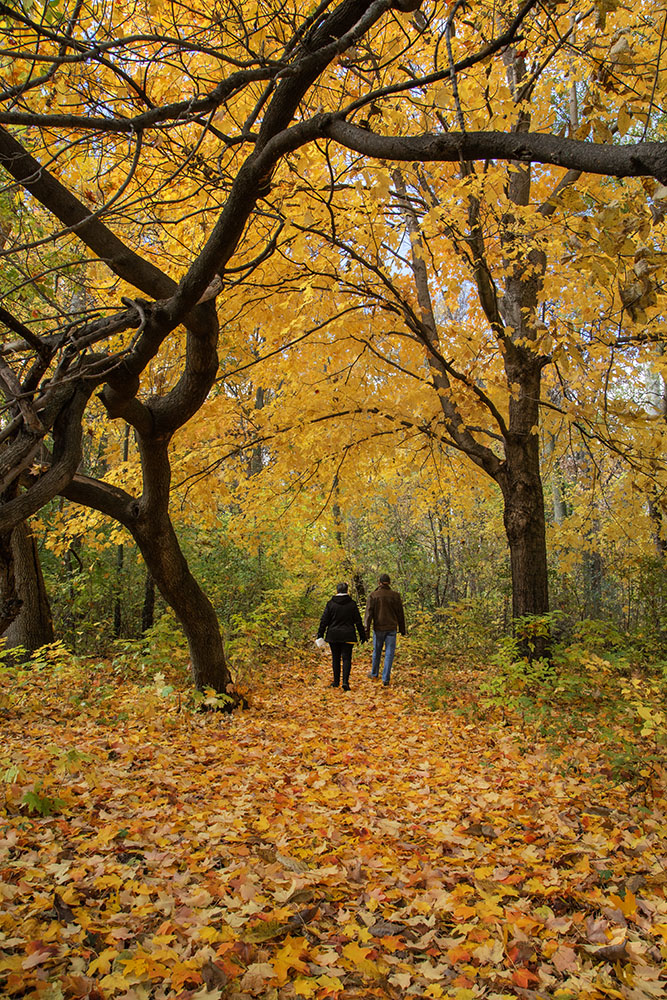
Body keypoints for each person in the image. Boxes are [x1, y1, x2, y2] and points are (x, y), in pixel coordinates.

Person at [317, 582, 366, 691]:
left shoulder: (330, 604)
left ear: (337, 590)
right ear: (347, 591)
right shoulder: (352, 604)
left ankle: (336, 682)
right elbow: (358, 621)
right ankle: (345, 682)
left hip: (333, 635)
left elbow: (324, 620)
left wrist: (320, 634)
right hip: (348, 635)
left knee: (335, 658)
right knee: (347, 658)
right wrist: (362, 635)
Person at [365, 573, 406, 686]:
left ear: (379, 582)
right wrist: (402, 629)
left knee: (377, 651)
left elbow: (368, 614)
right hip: (391, 628)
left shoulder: (373, 595)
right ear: (389, 582)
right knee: (389, 653)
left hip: (378, 628)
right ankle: (385, 678)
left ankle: (374, 674)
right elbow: (400, 614)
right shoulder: (395, 595)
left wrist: (366, 631)